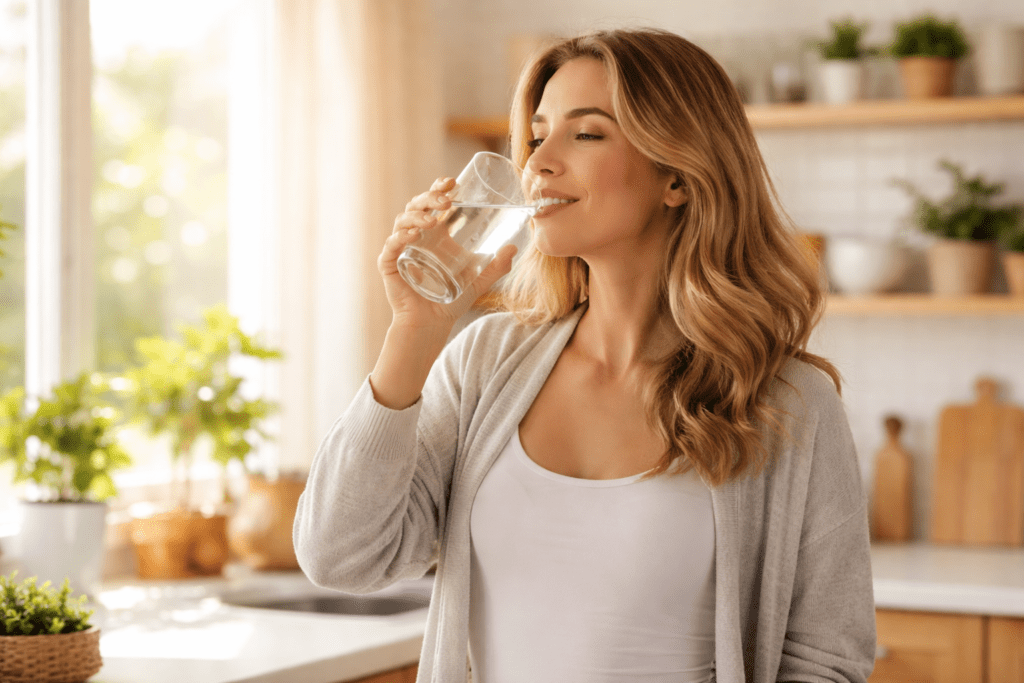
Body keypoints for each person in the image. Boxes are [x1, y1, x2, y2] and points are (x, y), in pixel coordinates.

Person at [294, 27, 876, 683]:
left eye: (588, 132)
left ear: (677, 176)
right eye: (538, 133)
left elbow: (827, 657)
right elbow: (340, 557)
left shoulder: (785, 402)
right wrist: (414, 332)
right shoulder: (485, 363)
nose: (538, 161)